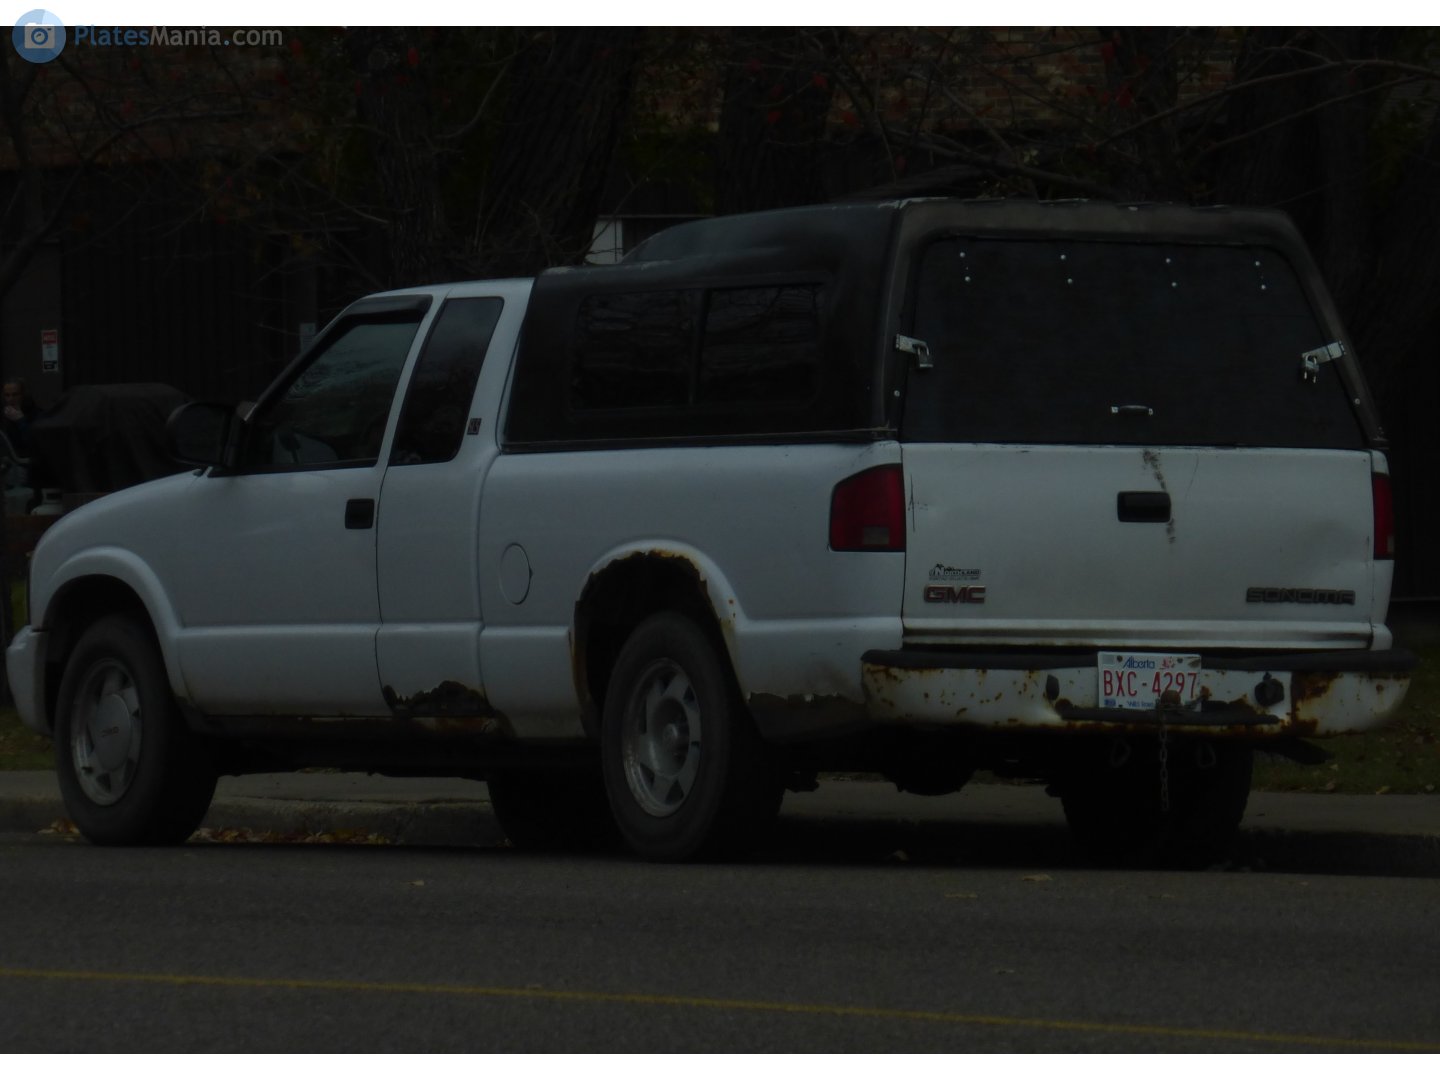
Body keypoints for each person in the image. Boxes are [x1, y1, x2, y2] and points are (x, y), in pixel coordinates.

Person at [1, 378, 34, 458]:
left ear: (23, 395)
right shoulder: (2, 415)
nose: (11, 399)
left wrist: (21, 421)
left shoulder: (34, 413)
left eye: (15, 395)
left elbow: (34, 443)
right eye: (7, 395)